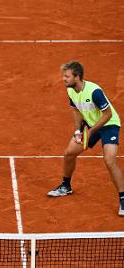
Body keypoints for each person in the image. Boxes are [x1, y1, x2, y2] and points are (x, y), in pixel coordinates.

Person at [47, 61, 124, 216]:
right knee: (69, 153)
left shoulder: (94, 91)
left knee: (109, 160)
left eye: (67, 76)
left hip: (109, 125)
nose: (64, 79)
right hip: (91, 125)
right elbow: (76, 110)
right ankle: (65, 186)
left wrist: (90, 131)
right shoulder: (70, 90)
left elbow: (108, 114)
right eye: (64, 76)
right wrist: (78, 130)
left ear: (77, 77)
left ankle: (123, 199)